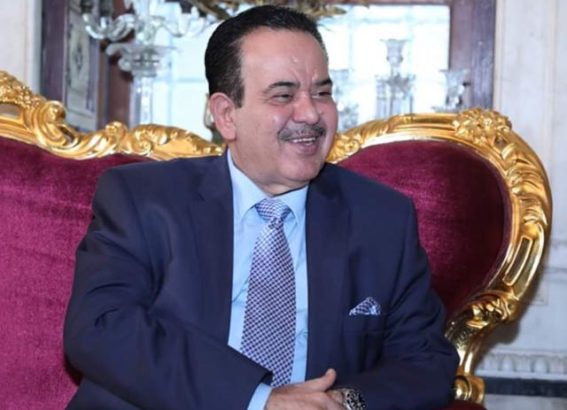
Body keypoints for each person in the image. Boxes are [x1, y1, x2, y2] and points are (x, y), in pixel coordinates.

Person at [63, 5, 459, 409]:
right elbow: (101, 327)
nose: (311, 113)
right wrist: (258, 400)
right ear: (226, 115)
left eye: (322, 93)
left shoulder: (381, 218)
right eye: (283, 95)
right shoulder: (144, 199)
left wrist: (340, 403)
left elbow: (426, 363)